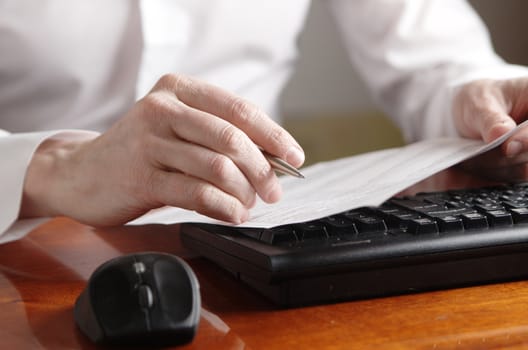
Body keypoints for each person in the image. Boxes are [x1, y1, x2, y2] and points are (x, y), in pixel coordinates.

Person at [1, 0, 528, 243]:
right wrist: (59, 167)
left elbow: (430, 51)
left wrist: (477, 100)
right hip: (28, 257)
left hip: (252, 243)